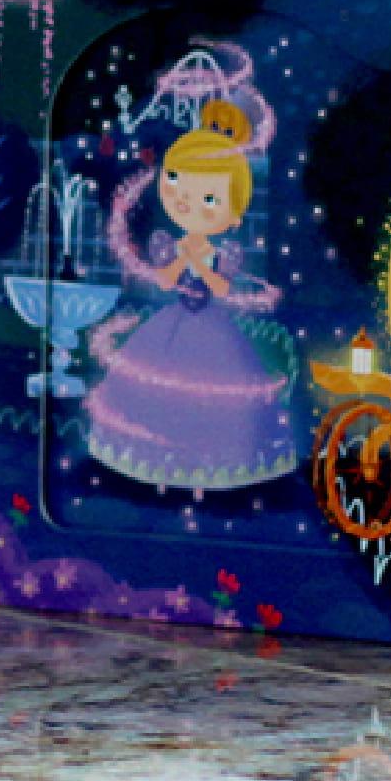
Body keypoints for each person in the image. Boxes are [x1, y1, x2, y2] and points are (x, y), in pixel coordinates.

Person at [85, 97, 300, 496]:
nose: (190, 205)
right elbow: (167, 281)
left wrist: (202, 263)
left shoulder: (224, 252)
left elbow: (221, 289)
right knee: (154, 385)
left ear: (233, 214)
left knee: (218, 393)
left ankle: (211, 471)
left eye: (209, 199)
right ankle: (154, 465)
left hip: (212, 329)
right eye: (179, 190)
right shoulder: (170, 243)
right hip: (172, 325)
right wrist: (181, 259)